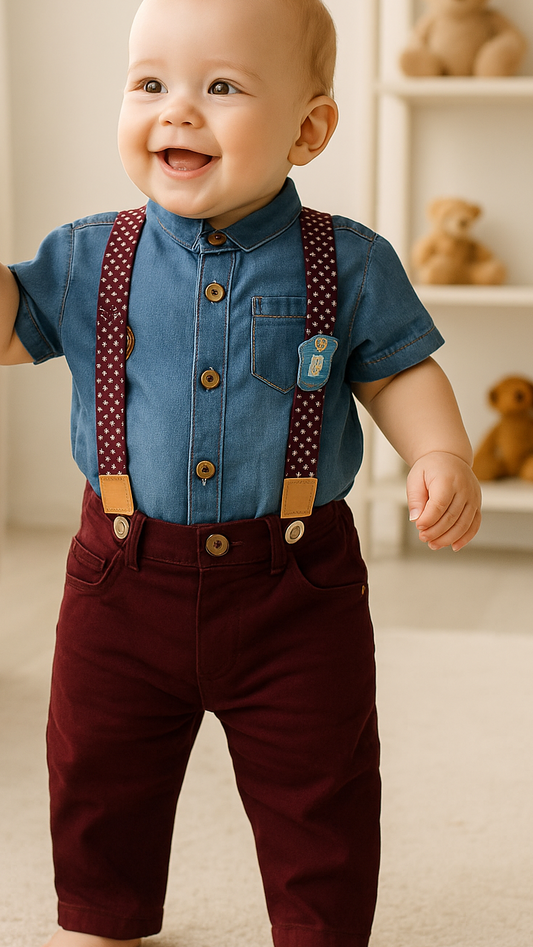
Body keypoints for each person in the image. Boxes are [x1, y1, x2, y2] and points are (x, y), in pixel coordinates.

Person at [0, 0, 482, 945]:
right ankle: (104, 916)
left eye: (220, 86)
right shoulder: (88, 256)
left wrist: (440, 451)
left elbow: (397, 372)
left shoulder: (349, 261)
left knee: (320, 779)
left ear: (309, 129)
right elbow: (10, 328)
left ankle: (317, 927)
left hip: (295, 586)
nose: (177, 110)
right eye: (150, 84)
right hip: (120, 579)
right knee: (97, 768)